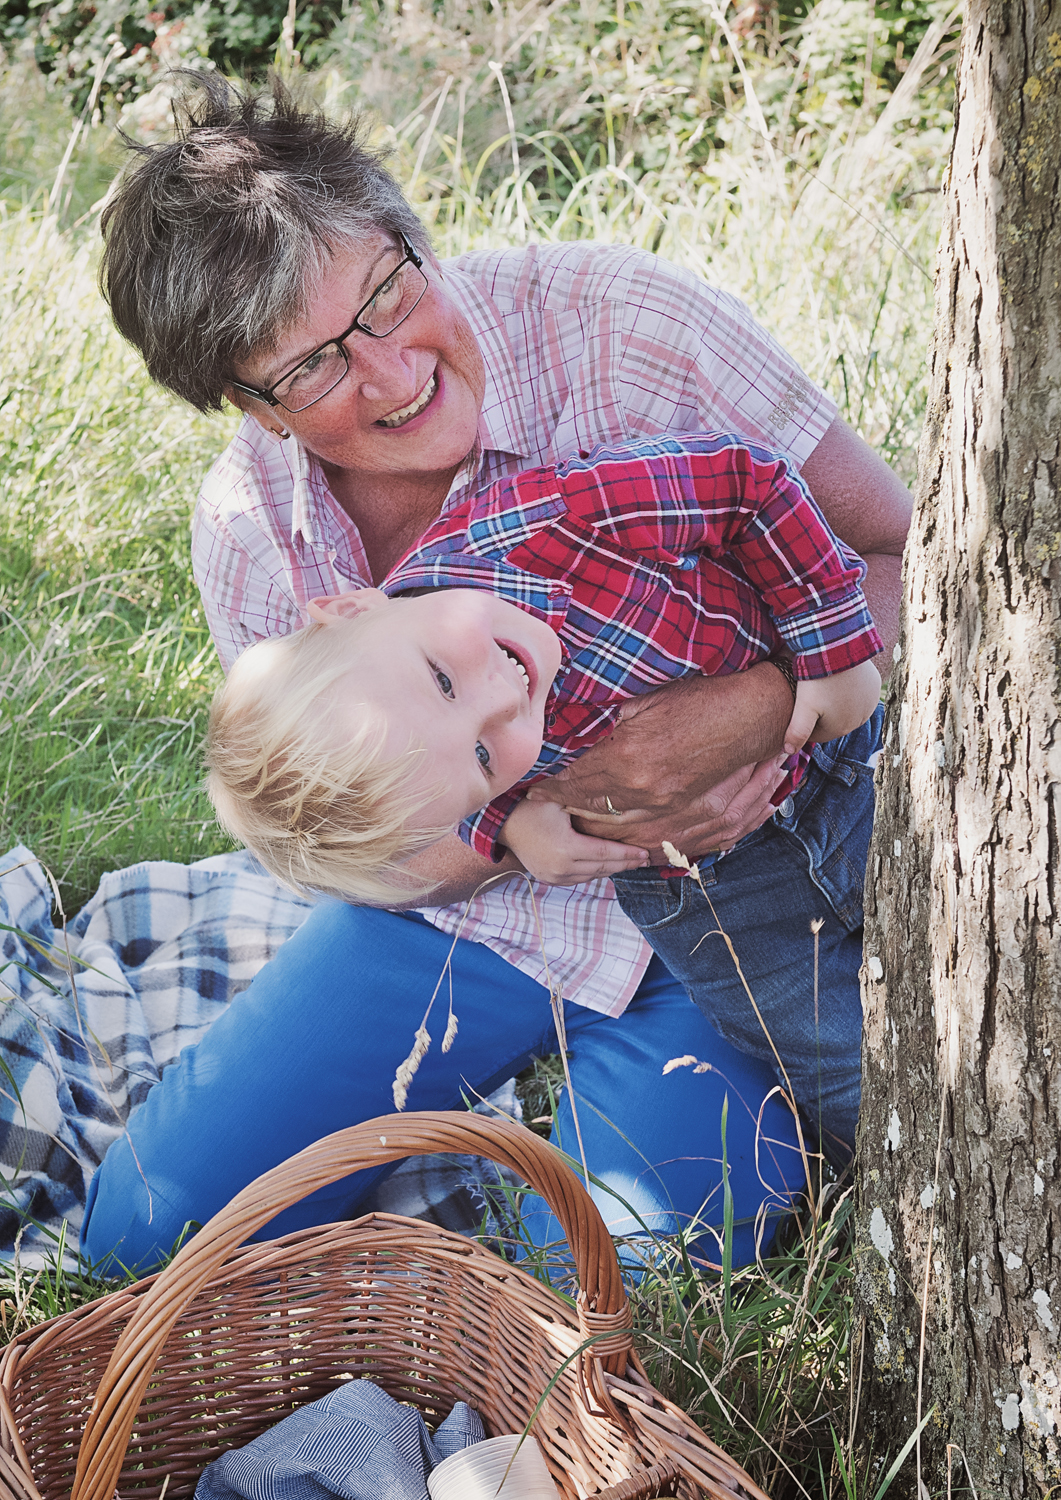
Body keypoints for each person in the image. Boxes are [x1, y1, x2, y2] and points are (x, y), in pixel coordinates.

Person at [79, 76, 911, 1275]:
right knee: (150, 1233)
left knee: (617, 1278)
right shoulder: (254, 535)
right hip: (489, 918)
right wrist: (516, 828)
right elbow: (375, 842)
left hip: (736, 899)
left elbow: (914, 555)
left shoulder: (628, 328)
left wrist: (760, 706)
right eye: (310, 368)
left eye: (386, 291)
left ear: (409, 232)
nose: (387, 371)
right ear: (245, 405)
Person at [207, 431, 883, 1141]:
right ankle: (917, 1168)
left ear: (355, 607)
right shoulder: (440, 725)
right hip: (706, 897)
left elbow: (746, 481)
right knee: (834, 1058)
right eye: (481, 756)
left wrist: (826, 644)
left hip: (841, 767)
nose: (497, 702)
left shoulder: (553, 521)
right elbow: (451, 790)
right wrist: (508, 826)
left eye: (441, 679)